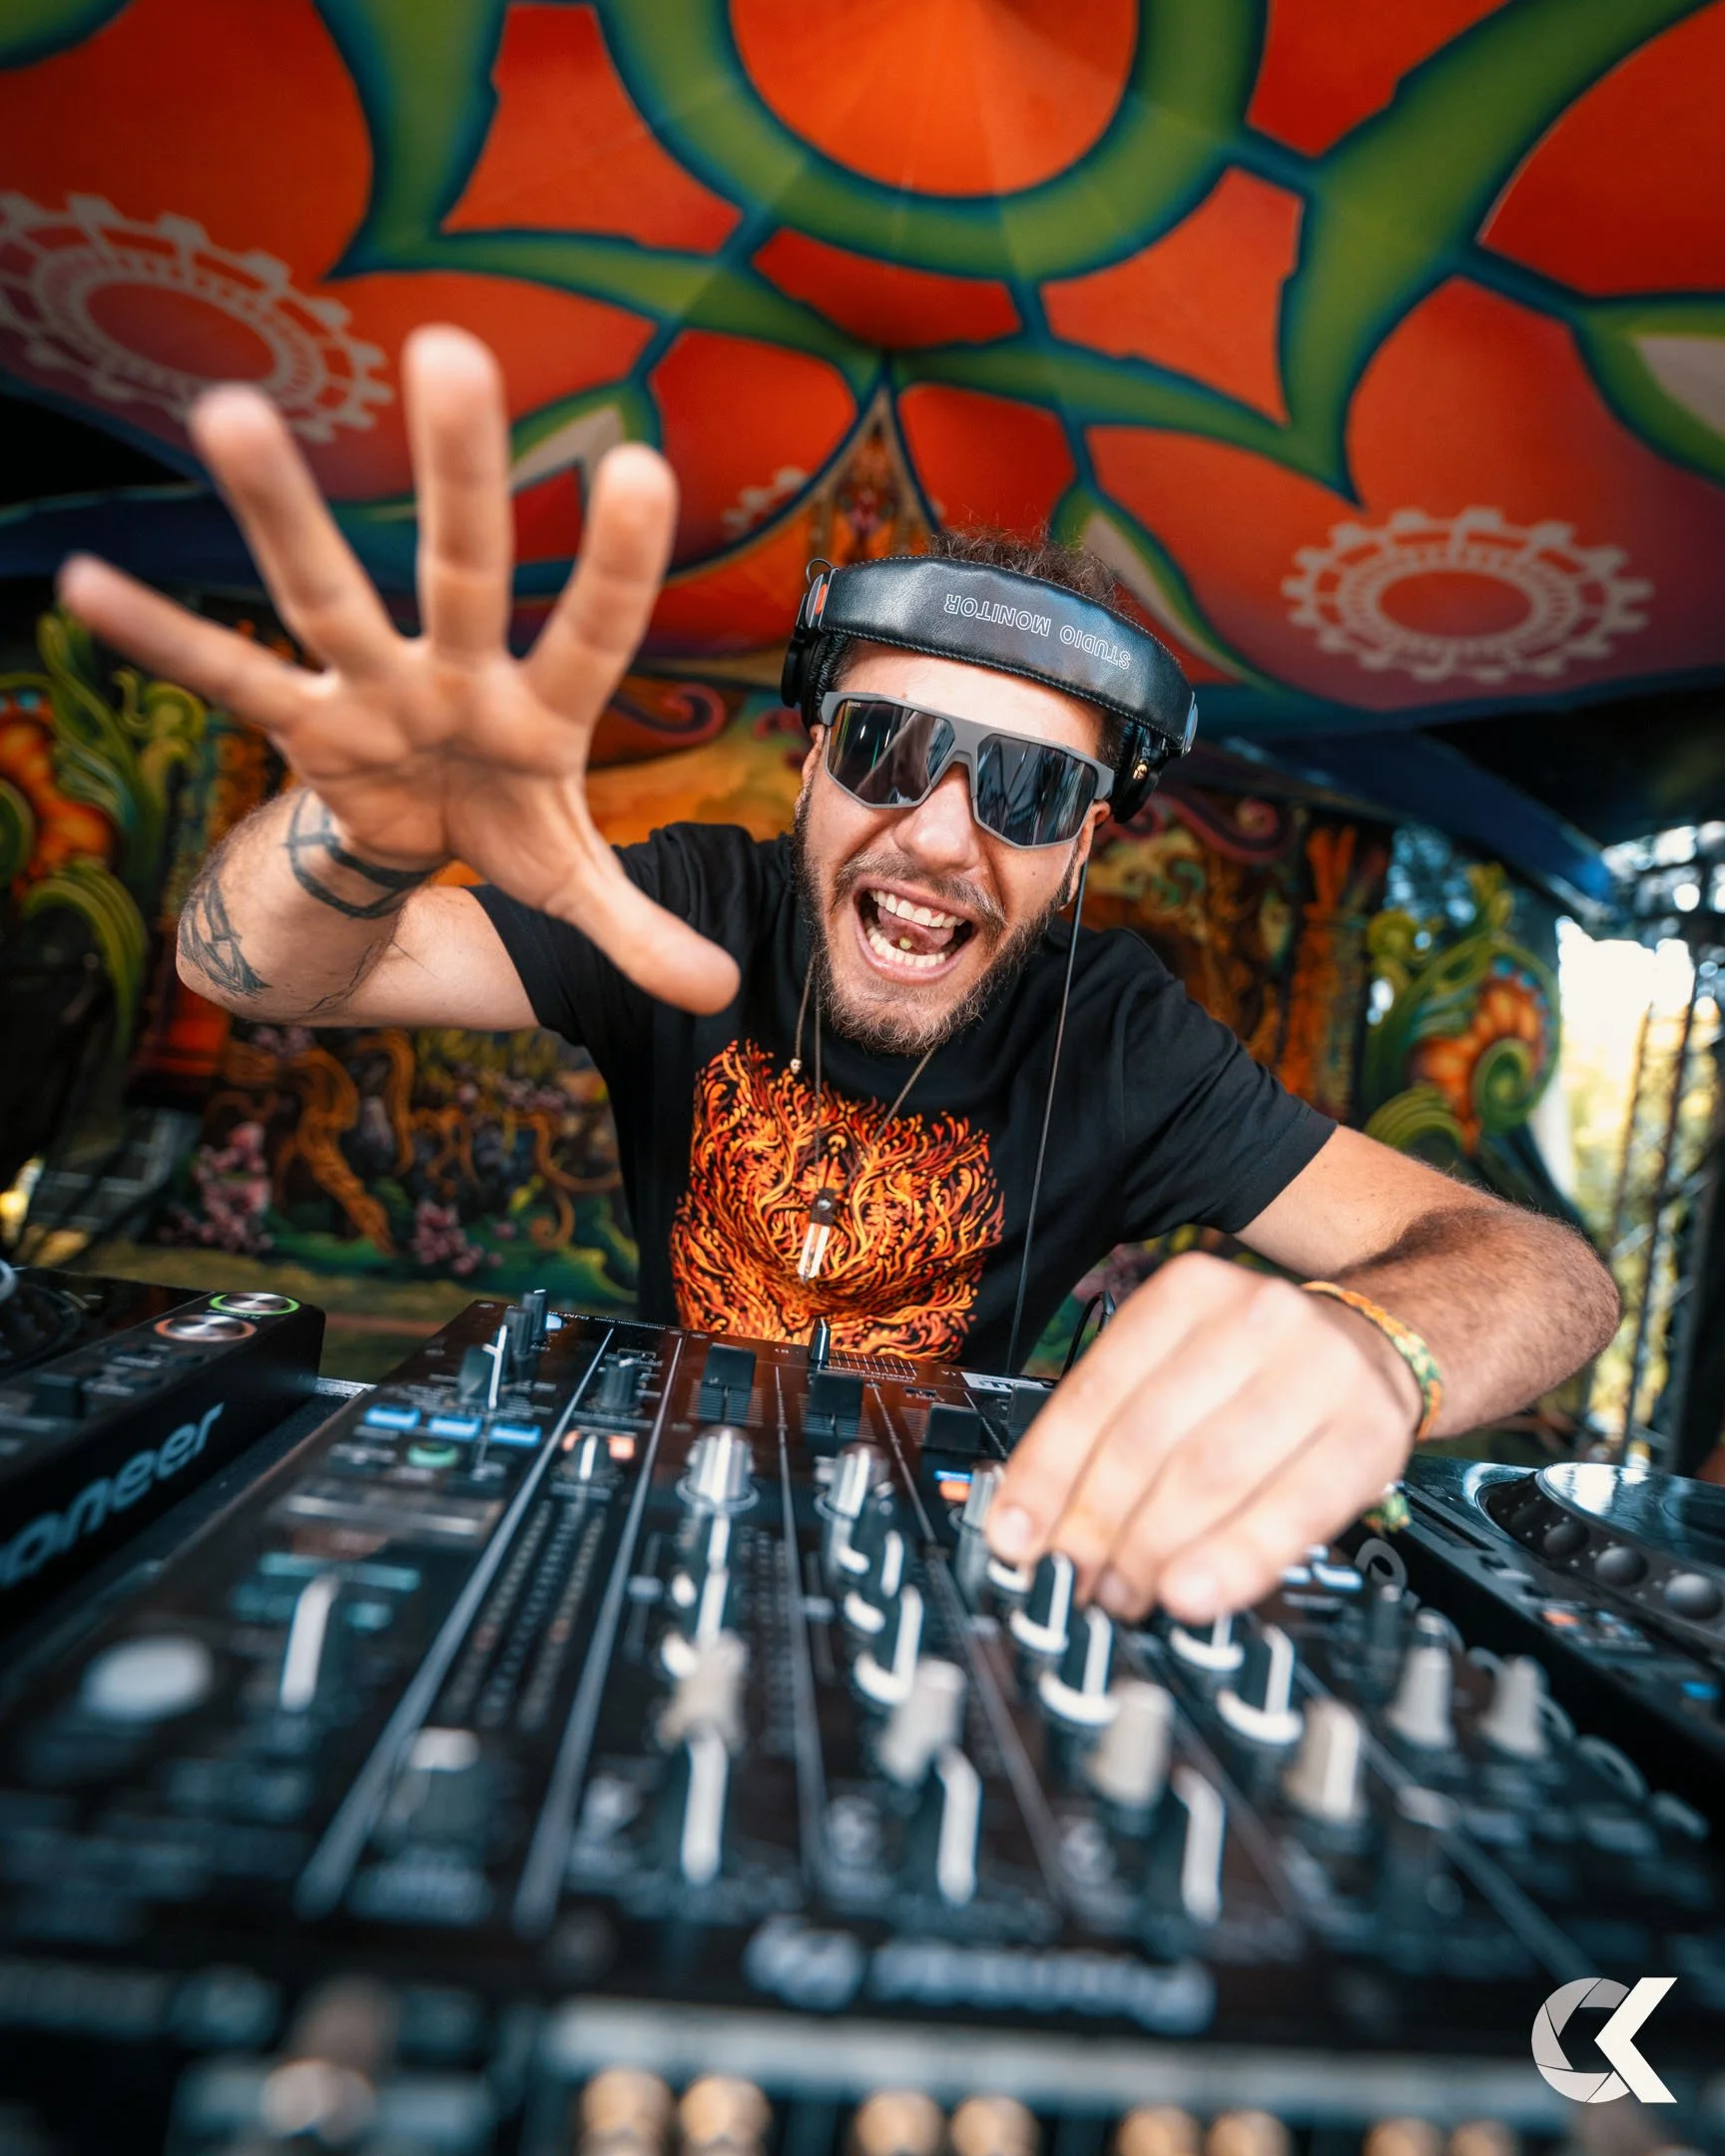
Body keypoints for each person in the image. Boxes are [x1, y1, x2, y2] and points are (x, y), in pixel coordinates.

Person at [59, 326, 1620, 1626]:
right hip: (659, 1505)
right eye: (891, 751)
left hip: (947, 1566)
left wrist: (1379, 1348)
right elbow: (259, 968)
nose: (941, 835)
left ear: (1079, 850)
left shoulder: (1126, 1035)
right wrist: (361, 824)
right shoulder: (695, 902)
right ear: (810, 765)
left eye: (1019, 793)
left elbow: (1549, 1274)